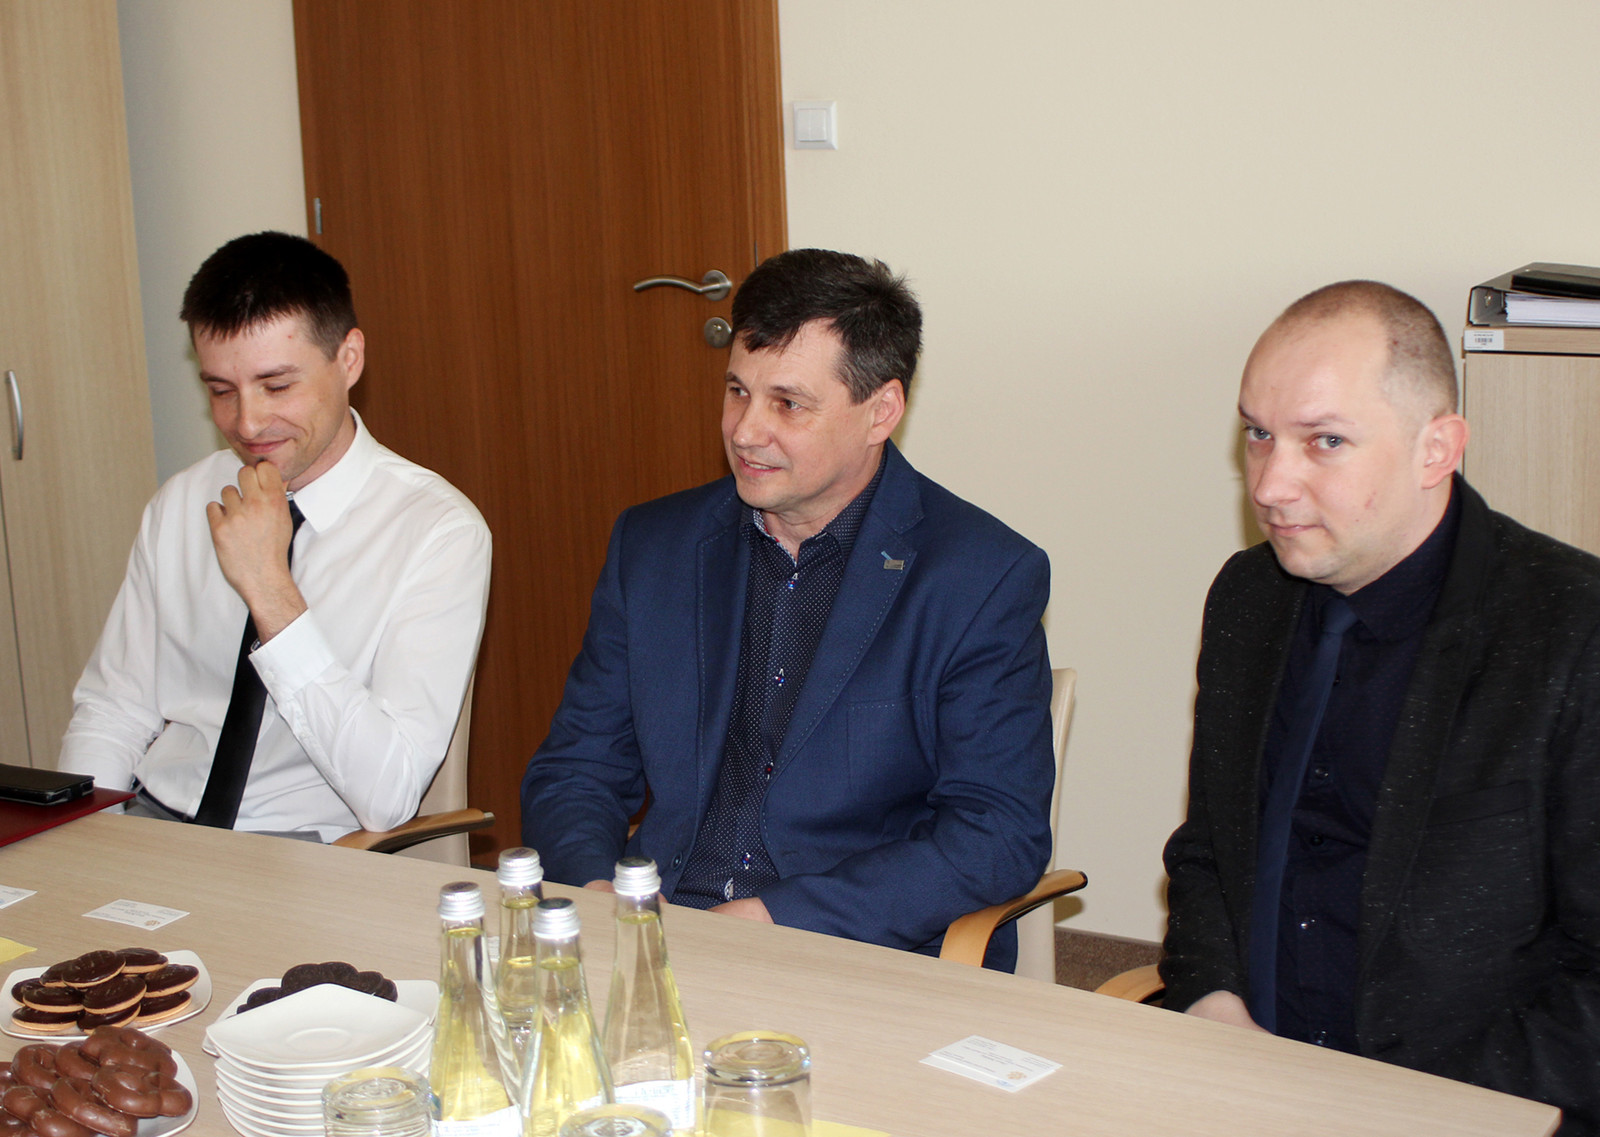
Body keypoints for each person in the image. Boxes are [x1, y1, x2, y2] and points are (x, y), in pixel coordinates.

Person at [521, 248, 1054, 968]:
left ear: (880, 411)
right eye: (737, 391)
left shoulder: (979, 576)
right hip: (659, 930)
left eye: (788, 404)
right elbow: (576, 768)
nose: (745, 431)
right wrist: (599, 894)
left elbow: (997, 832)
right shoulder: (654, 547)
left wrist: (775, 918)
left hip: (850, 950)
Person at [1161, 280, 1600, 1131]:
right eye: (1258, 433)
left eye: (1324, 441)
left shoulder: (1570, 632)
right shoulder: (1250, 598)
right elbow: (1210, 850)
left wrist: (1402, 1109)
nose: (1271, 485)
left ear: (1437, 449)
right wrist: (1211, 1000)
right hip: (1250, 1084)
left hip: (1468, 1106)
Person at [60, 231, 491, 842]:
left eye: (277, 386)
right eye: (220, 391)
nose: (247, 422)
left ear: (349, 359)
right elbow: (113, 709)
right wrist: (83, 840)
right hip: (155, 824)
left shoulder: (437, 531)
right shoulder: (182, 501)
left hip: (309, 850)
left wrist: (270, 589)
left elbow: (389, 797)